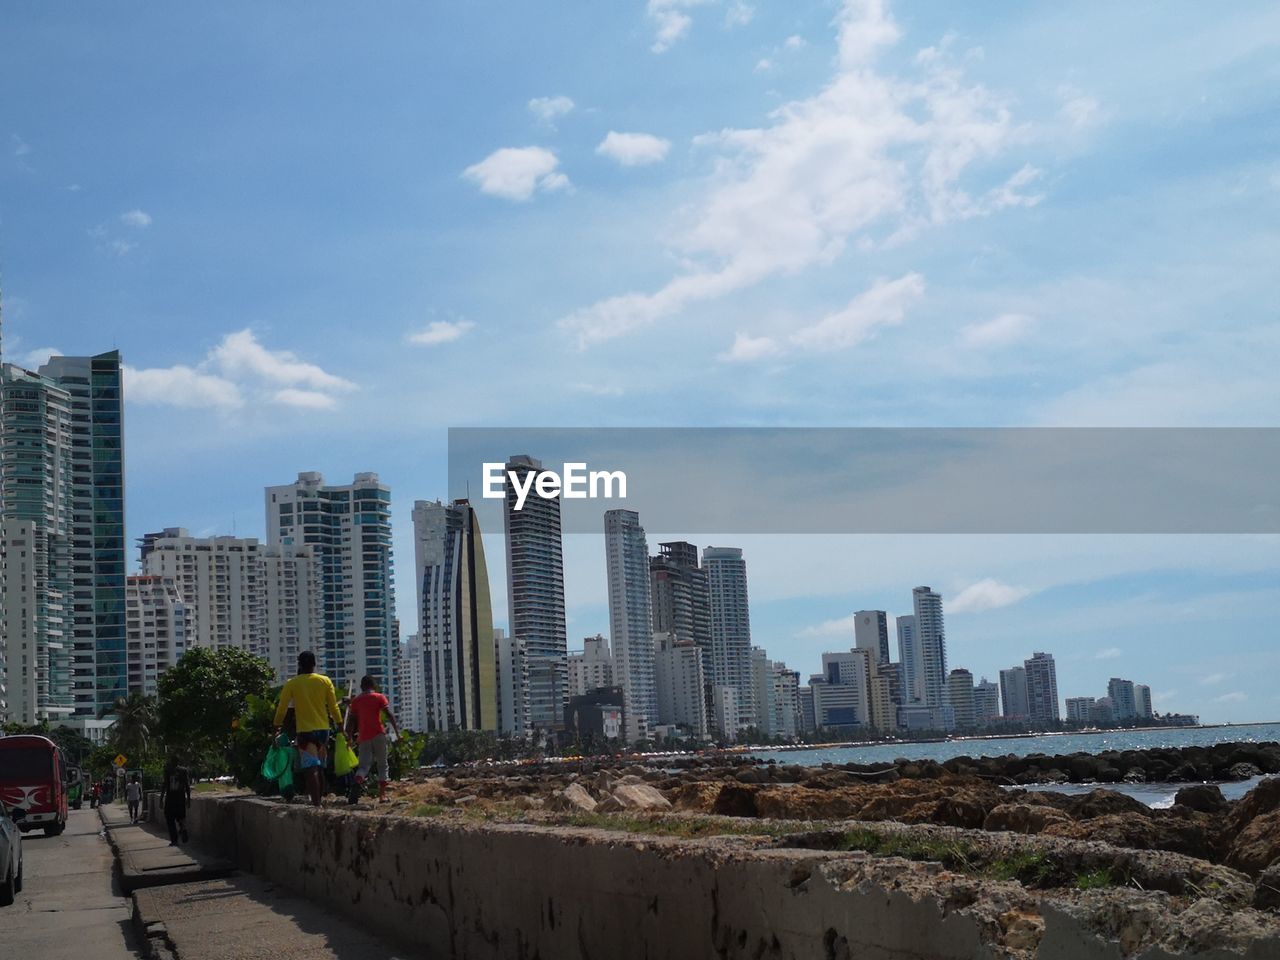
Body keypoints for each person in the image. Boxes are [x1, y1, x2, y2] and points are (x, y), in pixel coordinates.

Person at [273, 650, 343, 807]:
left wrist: (276, 727)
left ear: (299, 664)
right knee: (320, 767)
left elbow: (282, 708)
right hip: (323, 731)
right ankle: (320, 800)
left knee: (310, 767)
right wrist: (340, 725)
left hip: (305, 732)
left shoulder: (293, 683)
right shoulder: (325, 681)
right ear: (314, 664)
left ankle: (316, 803)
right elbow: (333, 707)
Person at [345, 675, 401, 803]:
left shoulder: (357, 701)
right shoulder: (379, 697)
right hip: (378, 734)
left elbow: (351, 722)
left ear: (361, 687)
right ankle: (382, 796)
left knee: (364, 766)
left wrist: (349, 738)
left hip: (363, 736)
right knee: (382, 764)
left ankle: (358, 780)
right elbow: (389, 714)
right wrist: (397, 733)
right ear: (373, 685)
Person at [160, 759, 191, 845]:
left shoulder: (168, 770)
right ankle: (183, 828)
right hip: (180, 798)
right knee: (181, 817)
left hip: (170, 799)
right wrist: (188, 799)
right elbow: (187, 786)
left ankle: (174, 840)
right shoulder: (184, 770)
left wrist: (161, 799)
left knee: (170, 820)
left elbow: (165, 785)